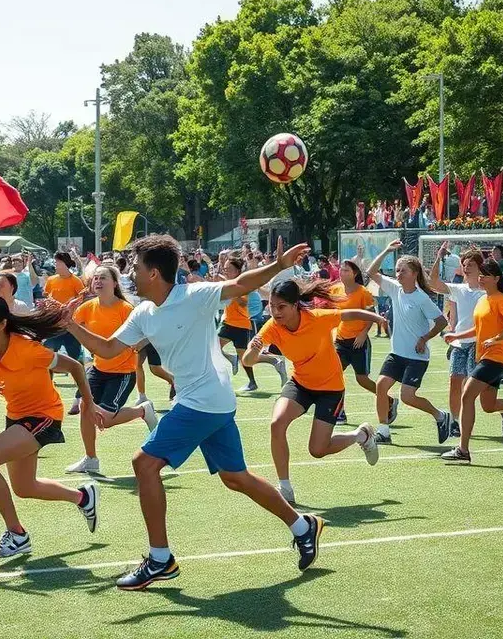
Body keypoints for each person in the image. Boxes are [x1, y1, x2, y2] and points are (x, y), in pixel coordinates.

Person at [65, 235, 325, 591]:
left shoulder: (194, 296)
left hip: (203, 401)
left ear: (154, 273)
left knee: (144, 463)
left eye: (135, 268)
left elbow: (240, 284)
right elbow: (107, 349)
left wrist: (279, 266)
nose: (130, 274)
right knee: (235, 477)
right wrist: (70, 324)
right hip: (209, 400)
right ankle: (302, 526)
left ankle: (160, 559)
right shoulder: (144, 312)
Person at [0, 297, 98, 558]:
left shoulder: (28, 349)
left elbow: (74, 366)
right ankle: (83, 498)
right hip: (16, 416)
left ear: (2, 324)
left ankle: (17, 534)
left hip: (44, 415)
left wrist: (89, 403)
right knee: (25, 487)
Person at [243, 278, 384, 505]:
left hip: (330, 388)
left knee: (318, 450)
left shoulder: (317, 318)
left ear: (295, 305)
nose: (275, 312)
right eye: (272, 306)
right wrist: (254, 350)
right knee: (276, 423)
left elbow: (350, 313)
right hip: (300, 384)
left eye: (282, 307)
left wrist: (377, 317)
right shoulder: (271, 327)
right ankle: (285, 488)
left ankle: (362, 435)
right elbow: (247, 360)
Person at [63, 265, 158, 475]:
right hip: (97, 369)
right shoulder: (87, 307)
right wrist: (64, 313)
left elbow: (144, 336)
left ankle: (143, 411)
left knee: (103, 419)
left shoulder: (125, 309)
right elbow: (68, 325)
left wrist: (132, 345)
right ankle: (91, 459)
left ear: (115, 283)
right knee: (85, 411)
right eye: (95, 278)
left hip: (122, 372)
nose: (97, 281)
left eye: (103, 277)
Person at [364, 240, 452, 445]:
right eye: (397, 270)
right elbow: (371, 271)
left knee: (407, 397)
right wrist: (386, 250)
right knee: (381, 386)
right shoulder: (395, 289)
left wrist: (424, 338)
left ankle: (440, 416)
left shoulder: (421, 298)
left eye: (403, 271)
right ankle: (383, 431)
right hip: (397, 353)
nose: (398, 274)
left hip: (416, 356)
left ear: (414, 273)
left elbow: (441, 321)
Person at [440, 259, 503, 462]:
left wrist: (498, 338)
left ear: (496, 278)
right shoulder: (482, 300)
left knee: (467, 396)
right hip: (483, 356)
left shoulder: (500, 299)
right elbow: (479, 329)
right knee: (488, 405)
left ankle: (463, 450)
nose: (480, 278)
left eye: (485, 275)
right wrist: (457, 336)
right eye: (480, 275)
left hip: (496, 357)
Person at [330, 260, 394, 423]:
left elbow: (370, 315)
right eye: (341, 270)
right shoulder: (335, 289)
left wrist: (363, 334)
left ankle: (389, 400)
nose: (341, 273)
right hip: (340, 341)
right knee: (334, 375)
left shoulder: (363, 292)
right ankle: (340, 412)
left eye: (346, 270)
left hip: (359, 342)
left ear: (355, 274)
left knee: (362, 380)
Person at [218, 256, 287, 392]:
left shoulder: (242, 284)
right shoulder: (229, 282)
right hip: (228, 323)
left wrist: (230, 290)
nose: (226, 271)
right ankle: (233, 360)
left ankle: (272, 362)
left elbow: (243, 303)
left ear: (238, 271)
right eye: (224, 269)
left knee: (246, 359)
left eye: (229, 269)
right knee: (212, 347)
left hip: (241, 325)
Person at [42, 252, 86, 363]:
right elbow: (46, 295)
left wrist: (71, 304)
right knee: (48, 353)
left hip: (70, 324)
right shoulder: (51, 280)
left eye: (58, 263)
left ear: (65, 264)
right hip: (54, 323)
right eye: (55, 262)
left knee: (75, 355)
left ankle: (80, 379)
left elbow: (82, 298)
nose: (55, 265)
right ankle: (49, 380)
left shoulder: (76, 281)